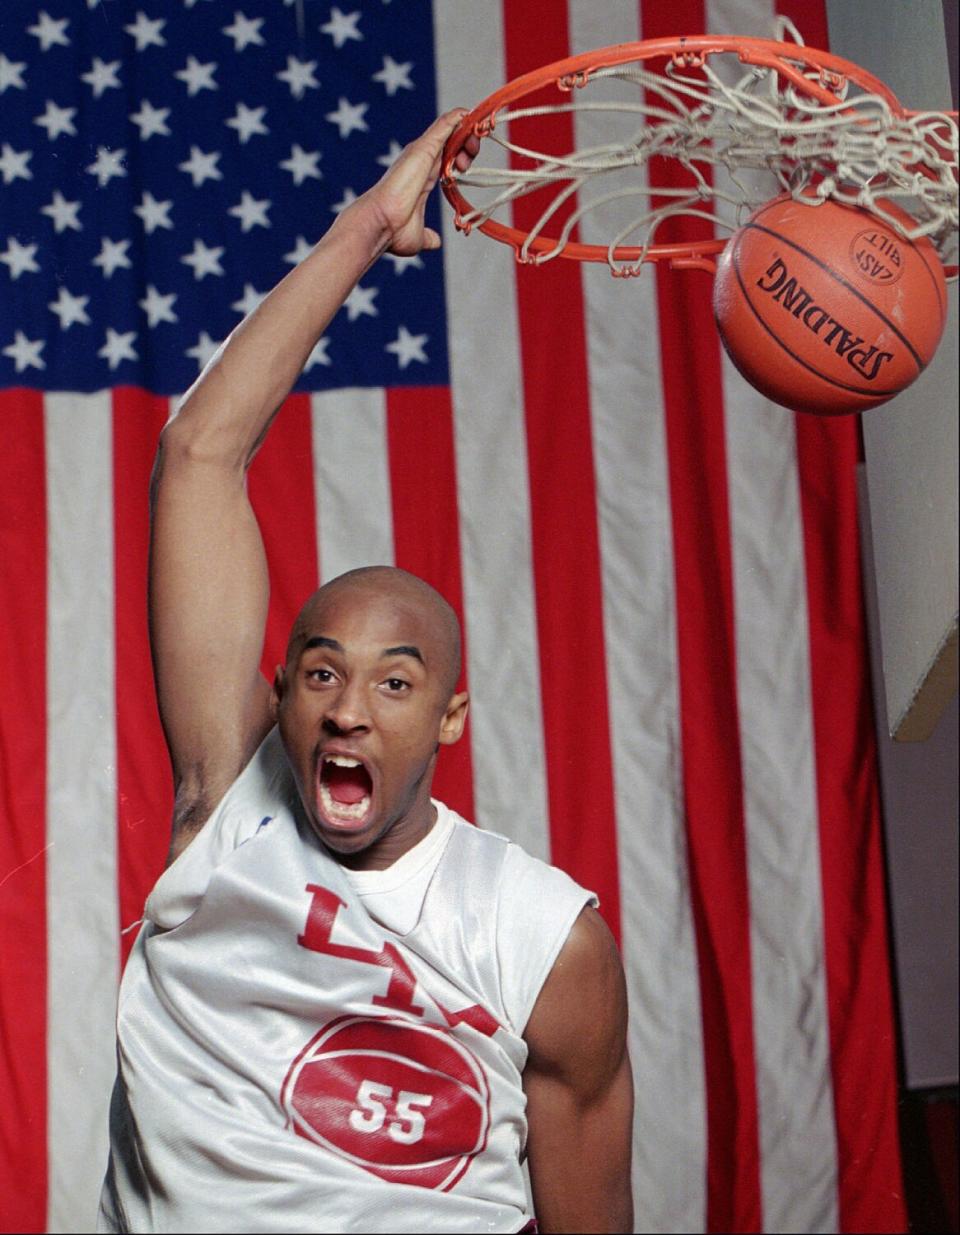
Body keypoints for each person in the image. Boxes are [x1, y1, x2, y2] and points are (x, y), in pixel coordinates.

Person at [98, 110, 633, 1235]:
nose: (348, 705)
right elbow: (198, 455)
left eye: (395, 682)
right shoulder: (229, 801)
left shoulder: (543, 935)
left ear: (449, 717)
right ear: (281, 692)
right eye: (321, 672)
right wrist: (367, 227)